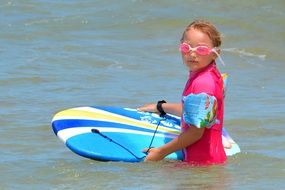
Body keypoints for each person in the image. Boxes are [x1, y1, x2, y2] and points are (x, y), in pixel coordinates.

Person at [138, 20, 227, 165]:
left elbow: (195, 132)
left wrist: (160, 152)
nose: (192, 53)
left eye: (201, 49)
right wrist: (161, 107)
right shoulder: (209, 75)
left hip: (202, 166)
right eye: (187, 47)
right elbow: (194, 112)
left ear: (215, 54)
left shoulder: (203, 83)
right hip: (209, 160)